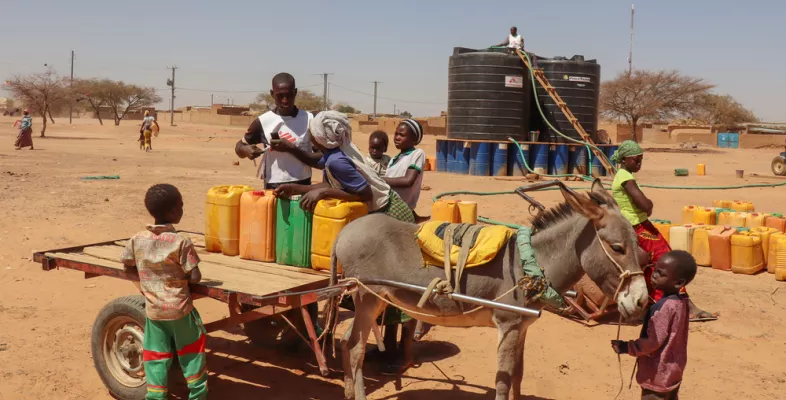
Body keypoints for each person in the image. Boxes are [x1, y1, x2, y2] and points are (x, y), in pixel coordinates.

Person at [610, 140, 716, 320]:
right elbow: (644, 204)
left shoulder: (624, 175)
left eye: (641, 160)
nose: (639, 164)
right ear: (625, 159)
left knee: (656, 264)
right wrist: (649, 205)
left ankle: (668, 303)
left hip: (639, 224)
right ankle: (678, 306)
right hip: (637, 226)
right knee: (667, 262)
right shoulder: (624, 177)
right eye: (636, 160)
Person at [120, 184, 208, 400]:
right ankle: (197, 396)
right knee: (192, 355)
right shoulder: (181, 241)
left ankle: (156, 397)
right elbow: (195, 276)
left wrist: (147, 280)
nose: (182, 209)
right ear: (172, 212)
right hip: (180, 311)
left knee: (156, 357)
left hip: (155, 312)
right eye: (181, 206)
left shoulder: (137, 238)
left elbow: (127, 264)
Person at [611, 250, 696, 400]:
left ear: (679, 282)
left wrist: (626, 347)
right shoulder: (682, 302)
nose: (654, 275)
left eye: (661, 274)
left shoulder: (664, 308)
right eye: (655, 270)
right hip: (673, 371)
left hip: (657, 374)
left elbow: (652, 342)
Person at [235, 72, 321, 189]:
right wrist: (245, 150)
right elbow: (239, 147)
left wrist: (292, 149)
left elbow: (321, 160)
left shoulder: (309, 120)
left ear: (295, 93)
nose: (285, 101)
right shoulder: (263, 122)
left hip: (303, 187)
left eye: (289, 95)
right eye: (280, 96)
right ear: (272, 94)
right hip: (273, 187)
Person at [384, 119, 426, 211]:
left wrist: (378, 179)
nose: (397, 137)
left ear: (414, 140)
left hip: (401, 208)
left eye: (402, 135)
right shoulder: (393, 160)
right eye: (396, 134)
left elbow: (408, 181)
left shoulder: (417, 154)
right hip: (389, 204)